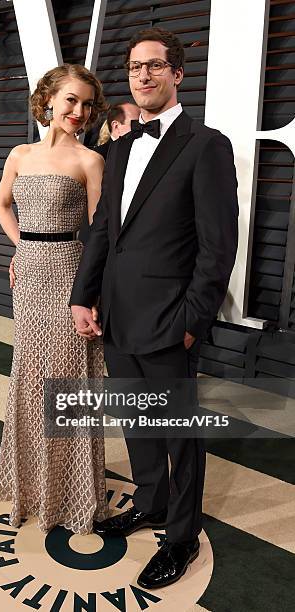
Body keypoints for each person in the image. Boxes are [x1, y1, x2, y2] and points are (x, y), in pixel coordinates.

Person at [70, 28, 239, 587]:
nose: (142, 75)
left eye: (154, 66)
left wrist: (193, 322)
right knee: (139, 424)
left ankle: (182, 536)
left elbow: (218, 247)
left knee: (177, 434)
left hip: (171, 320)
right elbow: (102, 232)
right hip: (116, 313)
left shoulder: (205, 144)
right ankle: (152, 502)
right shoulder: (118, 147)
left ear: (178, 74)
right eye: (135, 67)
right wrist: (82, 296)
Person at [0, 63, 109, 535]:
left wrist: (92, 291)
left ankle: (73, 495)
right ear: (48, 100)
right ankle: (31, 490)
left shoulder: (90, 161)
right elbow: (2, 204)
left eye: (86, 104)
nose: (78, 112)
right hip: (30, 278)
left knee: (68, 385)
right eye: (70, 101)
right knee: (31, 378)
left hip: (69, 273)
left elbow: (101, 234)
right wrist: (20, 246)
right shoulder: (18, 154)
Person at [79, 101, 140, 244]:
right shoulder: (95, 157)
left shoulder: (141, 155)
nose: (141, 128)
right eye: (136, 123)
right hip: (96, 241)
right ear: (116, 126)